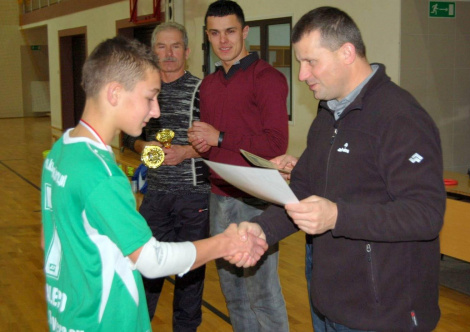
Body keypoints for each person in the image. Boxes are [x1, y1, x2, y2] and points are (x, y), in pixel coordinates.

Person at [238, 7, 446, 331]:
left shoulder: (400, 118)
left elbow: (426, 214)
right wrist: (262, 229)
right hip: (328, 304)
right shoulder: (327, 115)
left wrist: (337, 216)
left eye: (311, 62)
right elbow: (303, 187)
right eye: (300, 63)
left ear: (346, 53)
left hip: (384, 315)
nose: (302, 75)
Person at [40, 36, 267, 332]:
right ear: (114, 93)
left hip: (67, 317)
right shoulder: (102, 175)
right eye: (150, 97)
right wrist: (225, 242)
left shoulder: (60, 151)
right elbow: (151, 259)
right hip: (106, 322)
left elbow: (50, 240)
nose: (156, 111)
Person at [187, 1, 289, 330]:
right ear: (207, 37)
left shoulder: (268, 78)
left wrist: (219, 138)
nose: (224, 41)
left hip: (256, 200)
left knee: (262, 292)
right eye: (215, 33)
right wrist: (203, 144)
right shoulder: (209, 85)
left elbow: (275, 144)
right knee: (232, 292)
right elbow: (217, 144)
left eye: (230, 31)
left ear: (244, 32)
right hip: (219, 195)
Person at [122, 22, 210, 331]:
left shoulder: (204, 90)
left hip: (194, 197)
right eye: (162, 46)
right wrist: (144, 145)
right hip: (155, 197)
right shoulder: (143, 90)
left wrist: (186, 152)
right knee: (144, 271)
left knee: (190, 276)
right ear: (152, 51)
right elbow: (126, 139)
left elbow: (220, 146)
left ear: (186, 51)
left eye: (175, 46)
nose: (169, 53)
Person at [271, 155, 326, 332]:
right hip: (316, 245)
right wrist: (304, 170)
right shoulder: (323, 128)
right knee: (321, 322)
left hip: (360, 255)